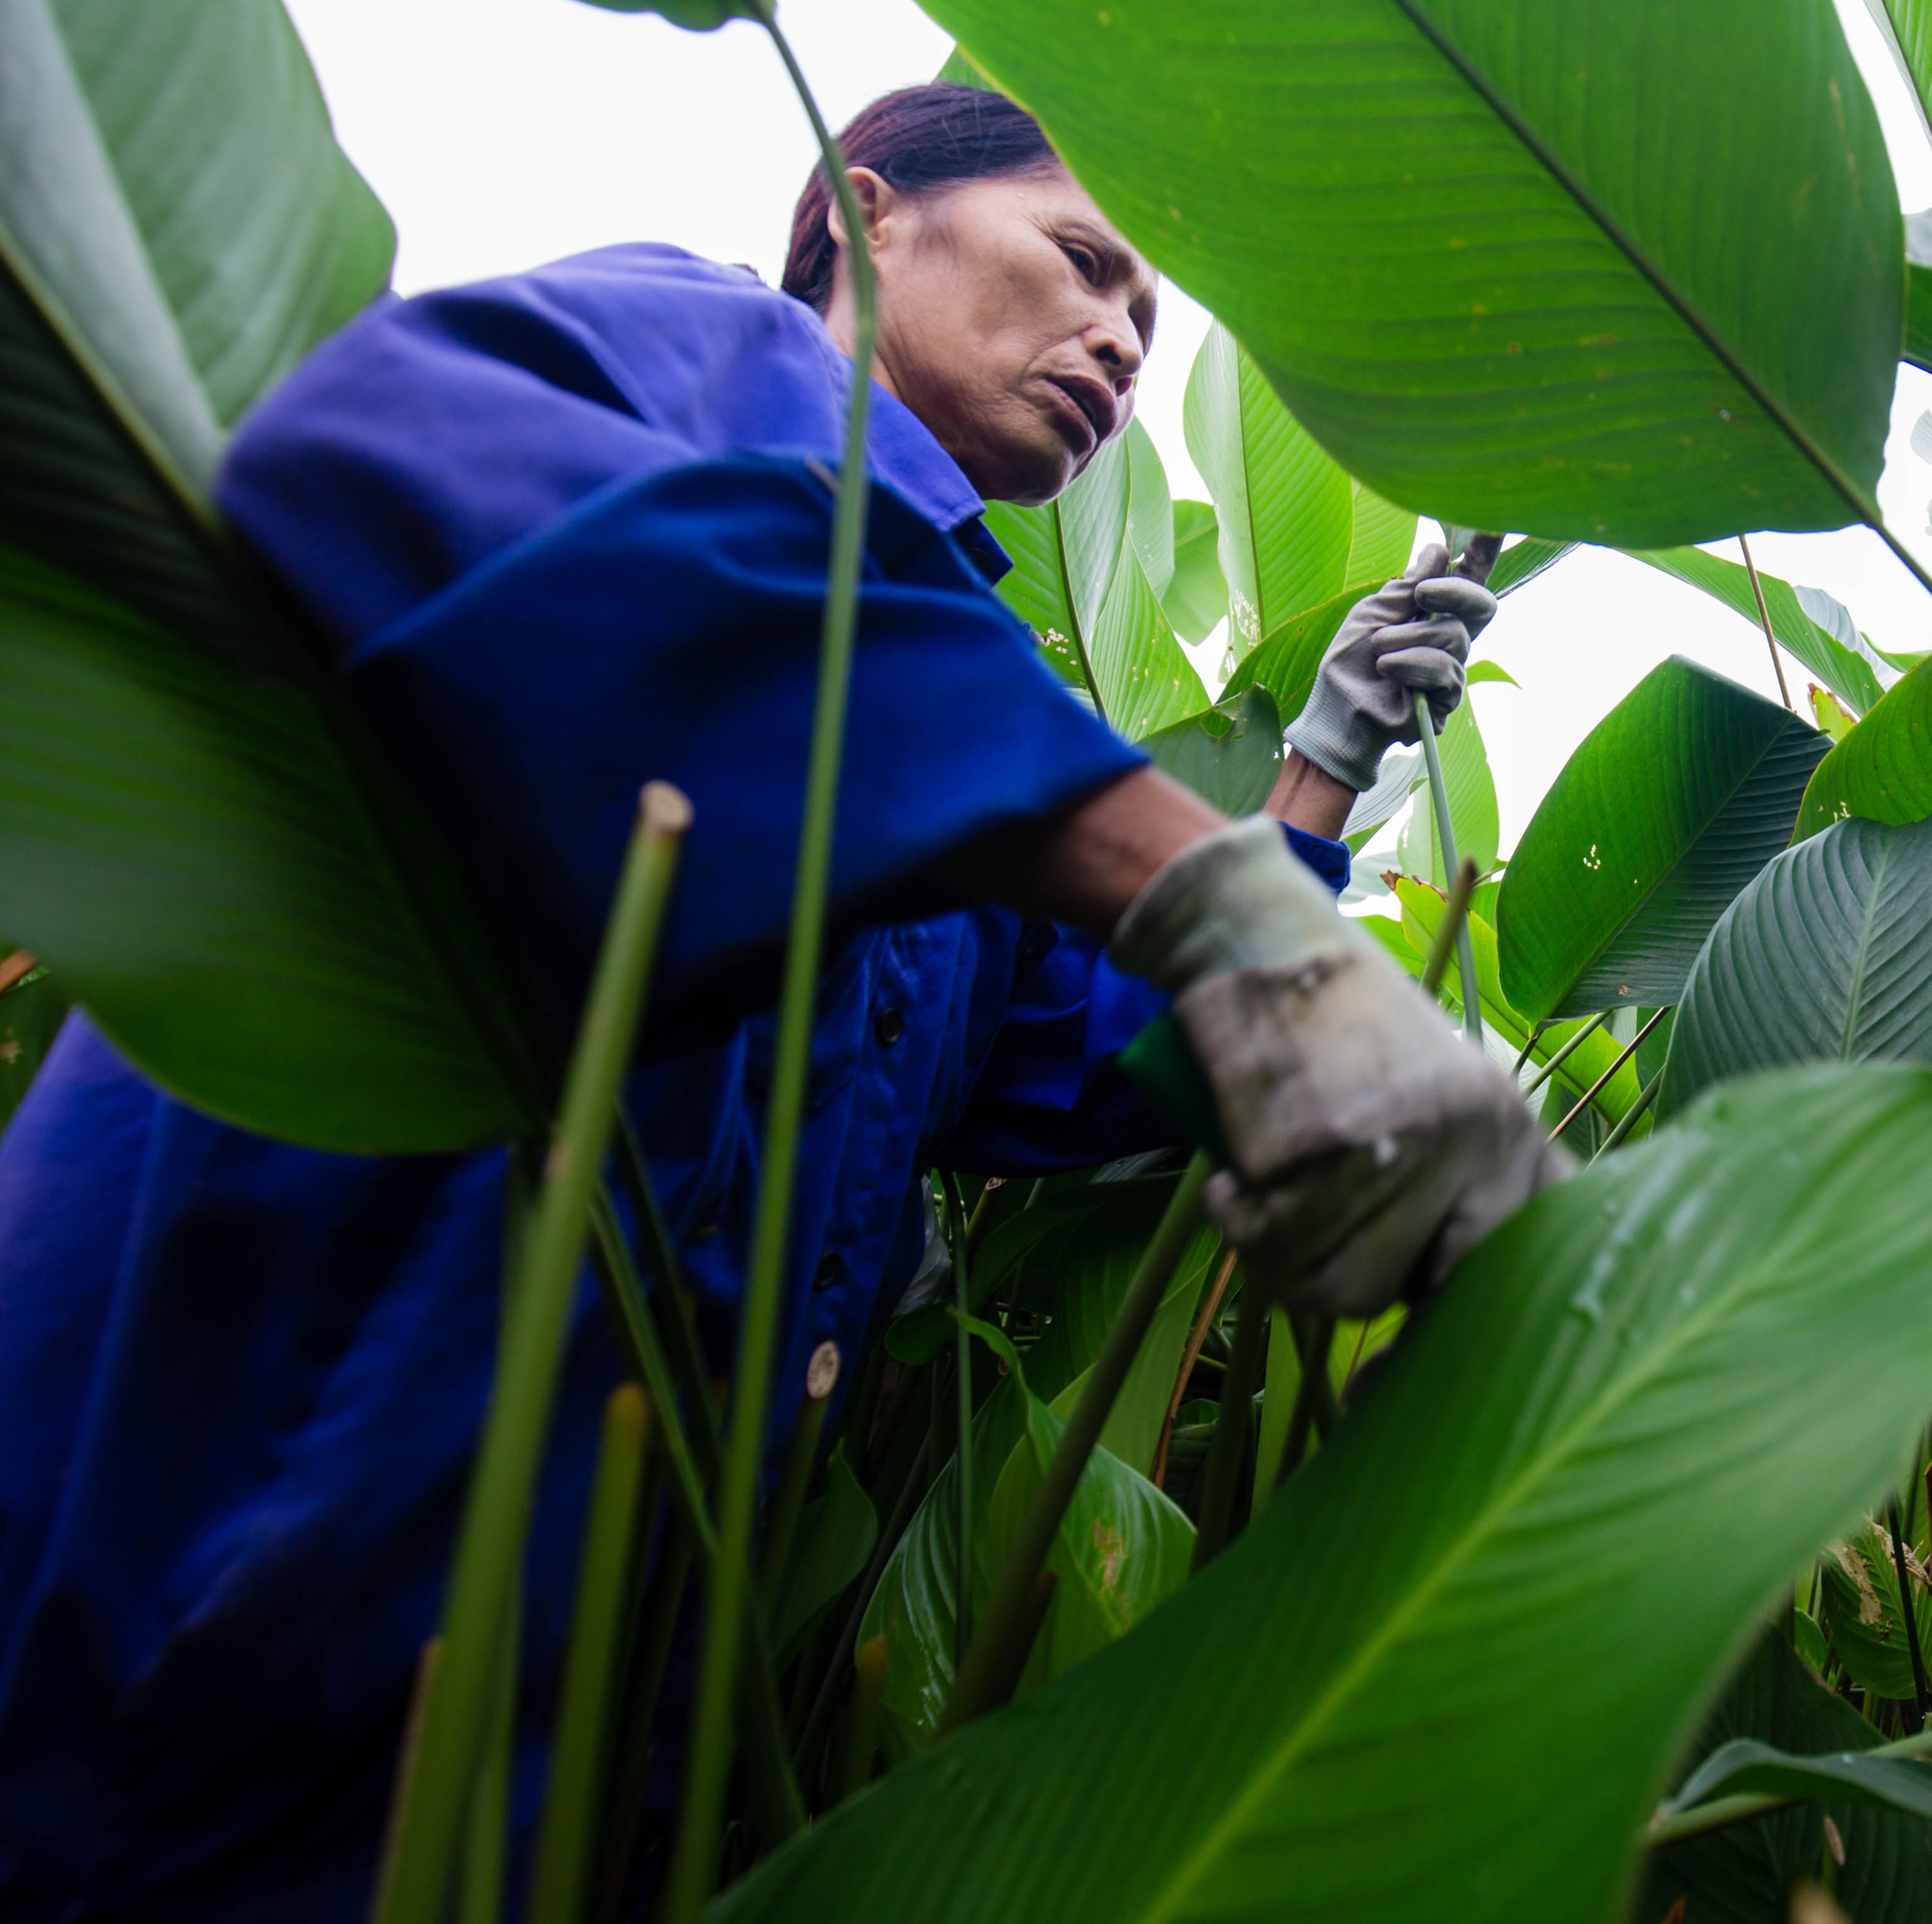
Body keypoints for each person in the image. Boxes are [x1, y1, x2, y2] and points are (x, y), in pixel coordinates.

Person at [0, 82, 1555, 1920]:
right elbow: (369, 465)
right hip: (221, 1585)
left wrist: (1310, 782)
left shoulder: (960, 710)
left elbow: (1092, 1058)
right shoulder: (698, 358)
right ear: (859, 211)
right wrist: (1182, 876)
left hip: (535, 1731)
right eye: (1082, 263)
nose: (1121, 339)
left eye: (1145, 321)